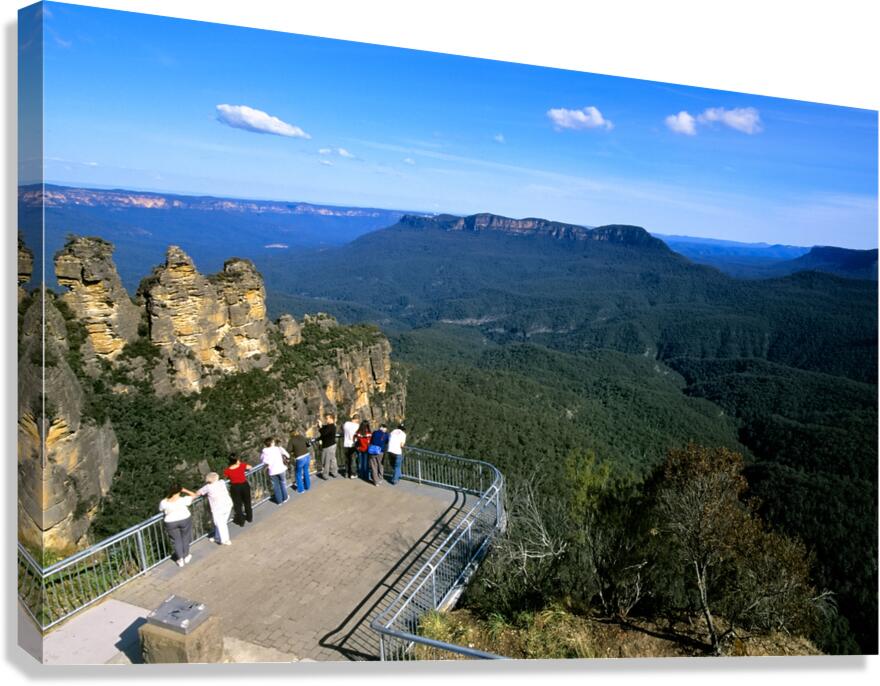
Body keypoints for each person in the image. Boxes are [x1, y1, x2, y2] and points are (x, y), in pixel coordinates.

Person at [159, 484, 194, 567]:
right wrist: (185, 490)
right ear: (180, 491)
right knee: (185, 537)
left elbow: (161, 509)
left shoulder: (164, 502)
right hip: (184, 519)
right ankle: (186, 556)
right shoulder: (183, 499)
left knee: (176, 540)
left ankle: (180, 559)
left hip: (170, 522)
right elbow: (194, 495)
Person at [196, 472, 234, 545]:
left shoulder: (208, 487)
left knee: (220, 523)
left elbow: (198, 493)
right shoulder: (222, 482)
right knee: (222, 523)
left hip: (218, 508)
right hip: (228, 504)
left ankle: (225, 540)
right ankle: (217, 536)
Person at [224, 454, 253, 526]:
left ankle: (241, 521)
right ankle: (249, 517)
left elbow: (226, 477)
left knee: (238, 505)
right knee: (247, 502)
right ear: (237, 460)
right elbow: (250, 467)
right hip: (244, 485)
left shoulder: (227, 470)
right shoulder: (241, 466)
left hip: (235, 487)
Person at [260, 437, 290, 504]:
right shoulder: (278, 449)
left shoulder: (264, 452)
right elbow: (287, 455)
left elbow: (263, 461)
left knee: (276, 486)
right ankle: (285, 498)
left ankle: (279, 501)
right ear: (271, 443)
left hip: (272, 471)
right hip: (281, 469)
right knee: (283, 483)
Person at [318, 415, 339, 479]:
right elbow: (324, 429)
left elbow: (324, 433)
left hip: (328, 446)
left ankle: (325, 475)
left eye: (327, 418)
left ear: (331, 419)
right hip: (332, 445)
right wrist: (320, 426)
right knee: (332, 459)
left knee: (326, 461)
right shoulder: (331, 426)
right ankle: (334, 473)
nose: (326, 420)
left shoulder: (331, 426)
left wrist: (320, 426)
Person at [342, 413, 359, 479]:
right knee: (353, 460)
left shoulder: (346, 424)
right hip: (353, 444)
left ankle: (346, 473)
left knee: (347, 460)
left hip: (346, 444)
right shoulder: (357, 426)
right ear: (357, 419)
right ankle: (353, 474)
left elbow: (342, 429)